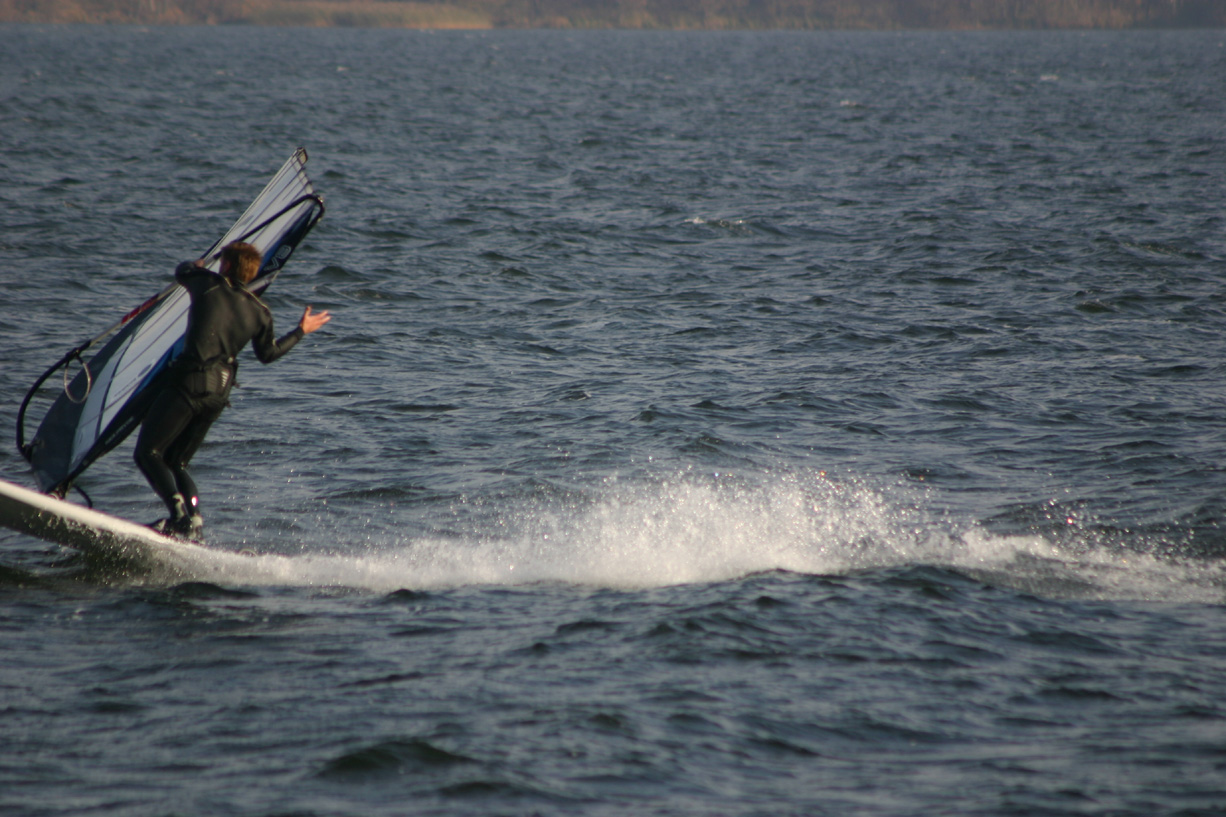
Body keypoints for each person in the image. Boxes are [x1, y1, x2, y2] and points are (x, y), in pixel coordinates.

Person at [134, 241, 331, 540]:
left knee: (148, 453)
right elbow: (268, 355)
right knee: (177, 462)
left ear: (225, 265)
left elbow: (182, 271)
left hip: (189, 384)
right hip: (219, 394)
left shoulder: (207, 284)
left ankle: (177, 516)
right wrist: (300, 331)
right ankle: (194, 522)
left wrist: (198, 264)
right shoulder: (260, 311)